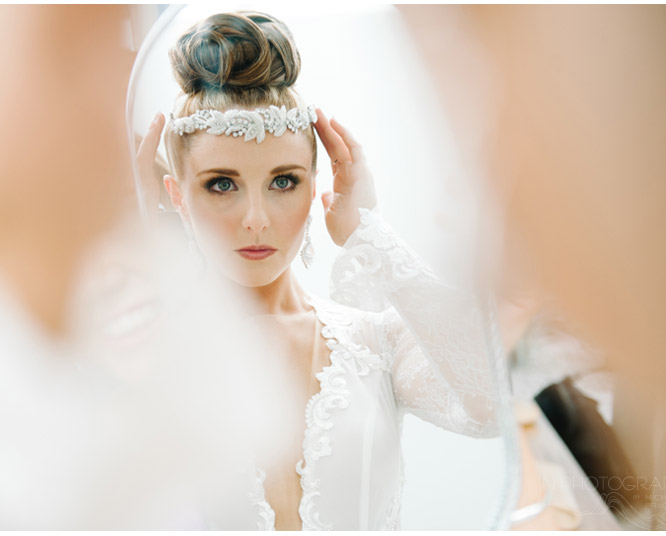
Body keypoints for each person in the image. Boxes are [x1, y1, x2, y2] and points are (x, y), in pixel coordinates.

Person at [136, 11, 501, 530]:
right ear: (176, 197)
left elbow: (490, 403)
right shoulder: (149, 345)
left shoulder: (374, 340)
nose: (256, 220)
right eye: (222, 184)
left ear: (314, 187)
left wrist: (367, 233)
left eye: (283, 182)